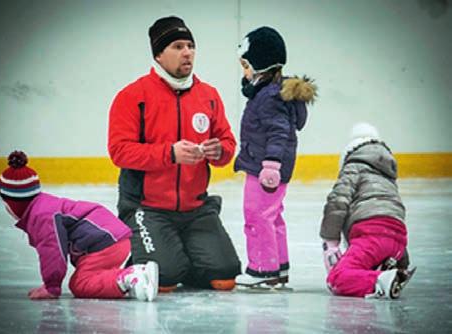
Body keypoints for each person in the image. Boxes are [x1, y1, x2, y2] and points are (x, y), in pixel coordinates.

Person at [107, 16, 241, 292]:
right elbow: (119, 151)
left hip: (196, 210)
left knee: (225, 276)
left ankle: (172, 253)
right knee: (165, 278)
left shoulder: (209, 95)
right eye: (178, 46)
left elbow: (227, 144)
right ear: (158, 54)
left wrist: (219, 151)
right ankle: (151, 253)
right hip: (148, 208)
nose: (187, 52)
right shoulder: (133, 96)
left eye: (190, 45)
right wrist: (169, 153)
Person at [0, 151, 159, 301]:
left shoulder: (42, 216)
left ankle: (131, 276)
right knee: (91, 277)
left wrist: (51, 287)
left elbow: (53, 252)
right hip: (111, 239)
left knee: (80, 284)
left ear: (13, 203)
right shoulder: (43, 207)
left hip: (104, 243)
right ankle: (131, 281)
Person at [233, 26, 317, 287]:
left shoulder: (269, 97)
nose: (244, 71)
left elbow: (279, 132)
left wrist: (270, 165)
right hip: (267, 165)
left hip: (264, 168)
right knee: (272, 216)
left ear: (261, 65)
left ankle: (262, 270)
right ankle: (279, 268)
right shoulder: (272, 92)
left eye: (246, 65)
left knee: (257, 216)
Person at [319, 123, 415, 299]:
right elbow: (391, 216)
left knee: (337, 279)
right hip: (398, 242)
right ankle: (388, 273)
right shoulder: (387, 178)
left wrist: (330, 239)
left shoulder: (353, 167)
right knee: (363, 267)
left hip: (371, 235)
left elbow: (337, 202)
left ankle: (381, 280)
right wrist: (403, 264)